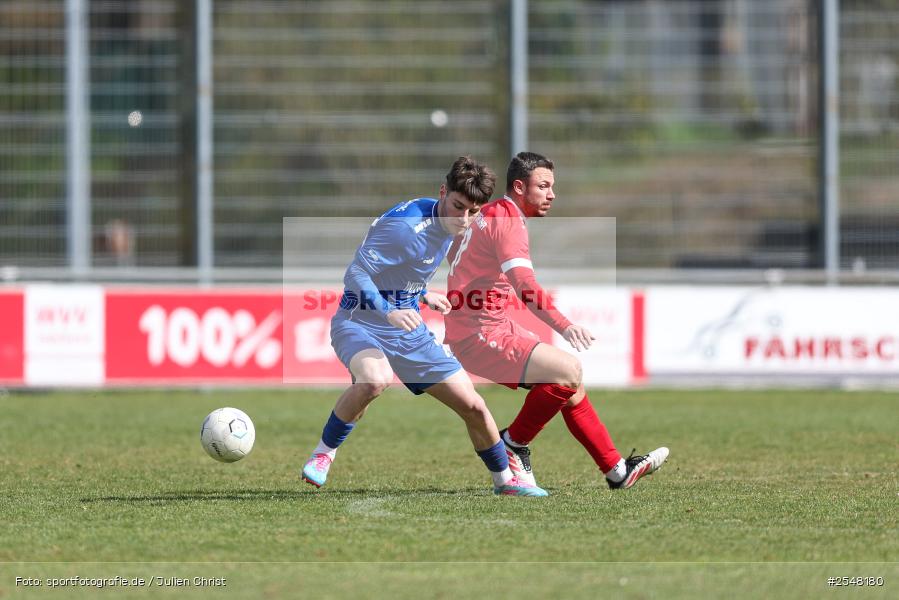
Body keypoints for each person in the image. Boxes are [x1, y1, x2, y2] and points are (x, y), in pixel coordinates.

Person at [301, 156, 547, 497]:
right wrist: (389, 311)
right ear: (443, 192)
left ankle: (505, 481)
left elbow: (402, 270)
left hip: (408, 328)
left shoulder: (452, 223)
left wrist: (422, 295)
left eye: (473, 212)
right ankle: (323, 454)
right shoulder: (405, 228)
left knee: (473, 405)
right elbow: (356, 273)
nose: (463, 219)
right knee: (374, 379)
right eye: (458, 207)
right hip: (361, 320)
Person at [444, 152, 669, 489]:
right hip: (479, 334)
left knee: (571, 387)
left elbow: (455, 252)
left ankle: (617, 471)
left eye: (552, 187)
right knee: (568, 371)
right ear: (519, 187)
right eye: (543, 186)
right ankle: (513, 444)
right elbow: (524, 285)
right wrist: (565, 325)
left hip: (485, 327)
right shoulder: (508, 221)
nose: (552, 194)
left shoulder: (490, 212)